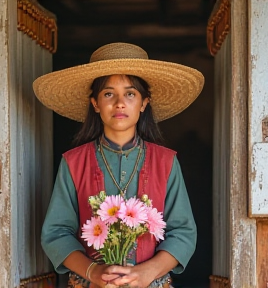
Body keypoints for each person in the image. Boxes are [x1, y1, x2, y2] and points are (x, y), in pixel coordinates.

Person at [33, 42, 204, 288]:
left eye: (131, 93)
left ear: (144, 103)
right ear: (95, 103)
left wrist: (147, 272)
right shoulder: (73, 162)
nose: (120, 103)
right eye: (109, 93)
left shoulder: (166, 161)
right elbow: (56, 233)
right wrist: (93, 272)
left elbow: (184, 233)